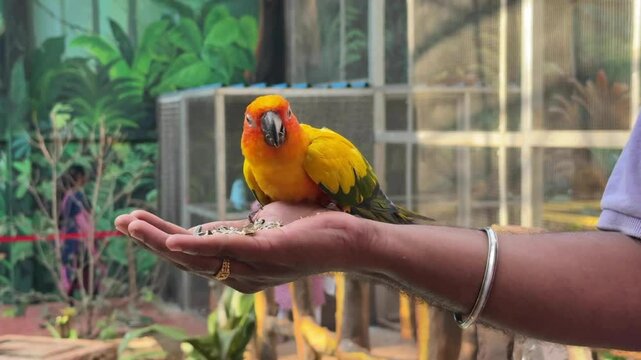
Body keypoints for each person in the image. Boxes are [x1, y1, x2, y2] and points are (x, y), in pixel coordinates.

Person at [115, 118, 641, 351]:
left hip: (353, 202)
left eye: (282, 117)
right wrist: (355, 245)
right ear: (248, 133)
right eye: (260, 121)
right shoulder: (255, 170)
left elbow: (363, 207)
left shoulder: (320, 151)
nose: (274, 127)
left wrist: (360, 232)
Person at [59, 164, 95, 298]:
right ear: (80, 178)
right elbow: (80, 219)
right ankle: (87, 299)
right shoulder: (77, 196)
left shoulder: (67, 196)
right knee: (83, 268)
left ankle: (72, 300)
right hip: (79, 240)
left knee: (71, 269)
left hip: (68, 239)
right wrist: (90, 240)